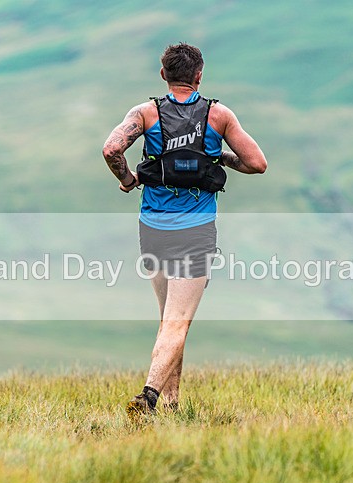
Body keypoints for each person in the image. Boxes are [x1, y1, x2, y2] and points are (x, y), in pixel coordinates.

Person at [102, 42, 267, 420]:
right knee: (178, 321)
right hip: (195, 230)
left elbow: (112, 148)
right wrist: (217, 157)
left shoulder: (145, 113)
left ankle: (173, 405)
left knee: (169, 320)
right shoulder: (218, 115)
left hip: (153, 227)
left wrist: (128, 178)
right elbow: (257, 163)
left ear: (163, 75)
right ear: (199, 76)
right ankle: (147, 398)